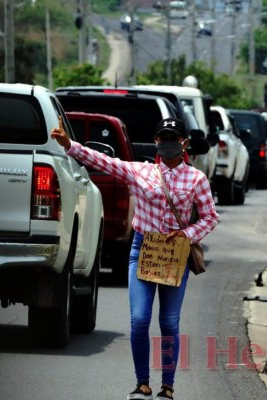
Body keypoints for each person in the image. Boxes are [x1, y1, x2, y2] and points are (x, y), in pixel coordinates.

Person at [51, 117, 218, 400]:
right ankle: (142, 383)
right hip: (143, 250)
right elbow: (103, 161)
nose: (168, 143)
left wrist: (187, 234)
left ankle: (167, 386)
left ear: (184, 143)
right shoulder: (141, 171)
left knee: (169, 322)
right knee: (140, 319)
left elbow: (210, 217)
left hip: (175, 253)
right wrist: (70, 145)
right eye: (163, 137)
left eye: (173, 138)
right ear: (155, 142)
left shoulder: (197, 179)